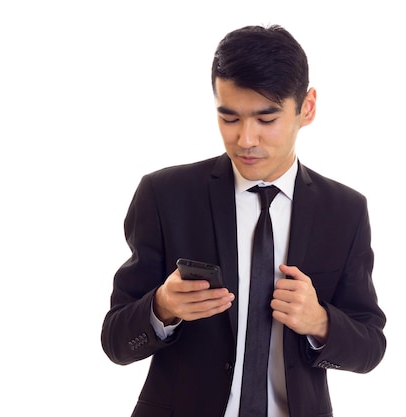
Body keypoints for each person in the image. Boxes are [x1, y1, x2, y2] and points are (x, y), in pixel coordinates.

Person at [101, 24, 386, 417]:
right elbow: (115, 341)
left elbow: (370, 346)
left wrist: (321, 322)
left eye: (266, 119)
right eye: (229, 118)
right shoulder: (166, 195)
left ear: (307, 107)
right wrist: (162, 306)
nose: (245, 139)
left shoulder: (344, 210)